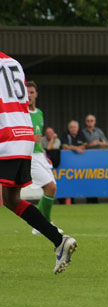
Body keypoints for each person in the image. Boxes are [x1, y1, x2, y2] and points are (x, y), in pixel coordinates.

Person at [0, 52, 77, 274]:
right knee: (11, 199)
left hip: (4, 136)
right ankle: (59, 240)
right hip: (23, 136)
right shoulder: (13, 62)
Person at [26, 81, 64, 235]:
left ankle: (39, 224)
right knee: (50, 187)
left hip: (39, 155)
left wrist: (44, 155)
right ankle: (45, 225)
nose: (29, 95)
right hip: (28, 156)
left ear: (36, 94)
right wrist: (30, 138)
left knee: (52, 188)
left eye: (32, 92)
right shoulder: (21, 113)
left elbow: (39, 138)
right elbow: (16, 134)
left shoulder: (39, 113)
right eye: (27, 92)